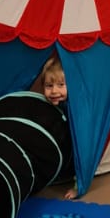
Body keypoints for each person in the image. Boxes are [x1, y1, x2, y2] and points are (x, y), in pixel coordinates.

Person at [36, 55, 78, 200]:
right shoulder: (44, 106)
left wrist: (78, 187)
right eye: (49, 86)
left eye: (61, 85)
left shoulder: (74, 109)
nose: (54, 91)